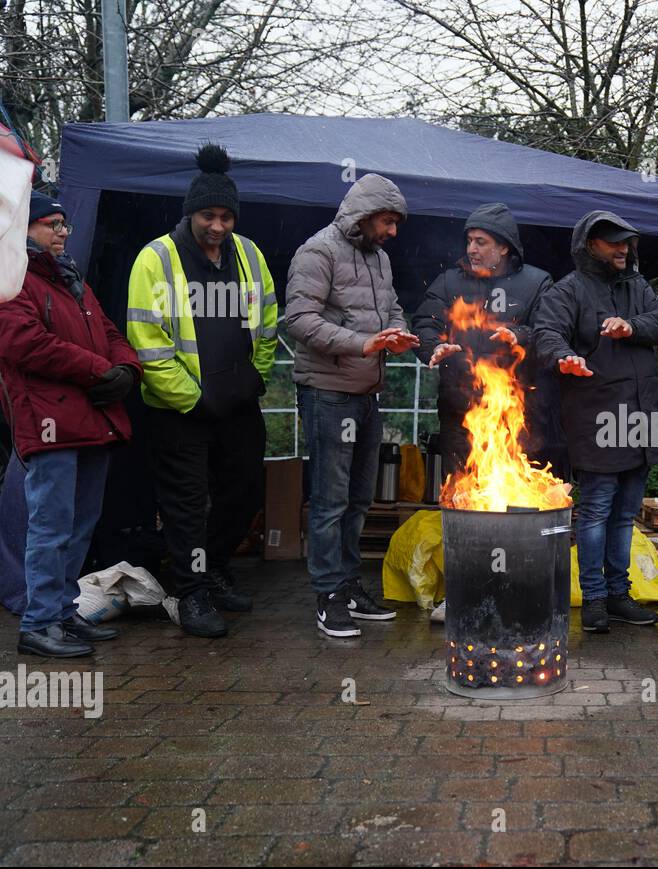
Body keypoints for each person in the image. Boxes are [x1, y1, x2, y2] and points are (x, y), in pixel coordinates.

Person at [126, 145, 277, 638]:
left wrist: (256, 378)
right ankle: (190, 593)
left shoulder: (249, 253)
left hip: (238, 402)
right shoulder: (155, 258)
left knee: (246, 490)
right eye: (209, 215)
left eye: (227, 216)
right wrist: (191, 399)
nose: (218, 226)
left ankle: (211, 569)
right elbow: (147, 341)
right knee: (188, 505)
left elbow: (268, 320)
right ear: (191, 212)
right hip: (179, 410)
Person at [0, 194, 140, 657]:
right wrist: (99, 371)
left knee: (80, 524)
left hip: (92, 417)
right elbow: (24, 342)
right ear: (26, 230)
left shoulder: (72, 281)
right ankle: (38, 624)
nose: (63, 232)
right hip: (49, 422)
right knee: (50, 526)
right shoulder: (11, 279)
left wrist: (126, 370)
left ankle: (62, 614)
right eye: (52, 224)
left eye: (64, 225)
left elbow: (111, 332)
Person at [284, 174, 421, 638]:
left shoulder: (379, 258)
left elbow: (392, 307)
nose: (394, 232)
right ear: (364, 216)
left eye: (397, 223)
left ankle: (347, 584)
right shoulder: (317, 252)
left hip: (366, 395)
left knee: (360, 498)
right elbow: (299, 320)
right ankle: (328, 596)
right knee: (330, 501)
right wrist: (363, 343)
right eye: (388, 221)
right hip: (327, 394)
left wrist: (396, 333)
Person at [414, 203, 558, 624]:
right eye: (469, 241)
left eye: (482, 242)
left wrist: (521, 334)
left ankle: (520, 588)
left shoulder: (536, 283)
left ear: (505, 248)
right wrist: (431, 346)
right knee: (463, 503)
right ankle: (461, 591)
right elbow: (424, 322)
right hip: (460, 412)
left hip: (519, 416)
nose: (472, 249)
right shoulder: (449, 282)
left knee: (518, 503)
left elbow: (551, 329)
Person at [532, 211, 658, 634]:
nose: (623, 249)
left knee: (626, 514)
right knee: (595, 511)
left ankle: (618, 595)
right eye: (614, 243)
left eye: (626, 243)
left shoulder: (637, 284)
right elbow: (546, 334)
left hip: (643, 414)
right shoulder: (567, 290)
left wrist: (630, 325)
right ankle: (594, 598)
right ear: (589, 245)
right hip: (595, 415)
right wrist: (564, 358)